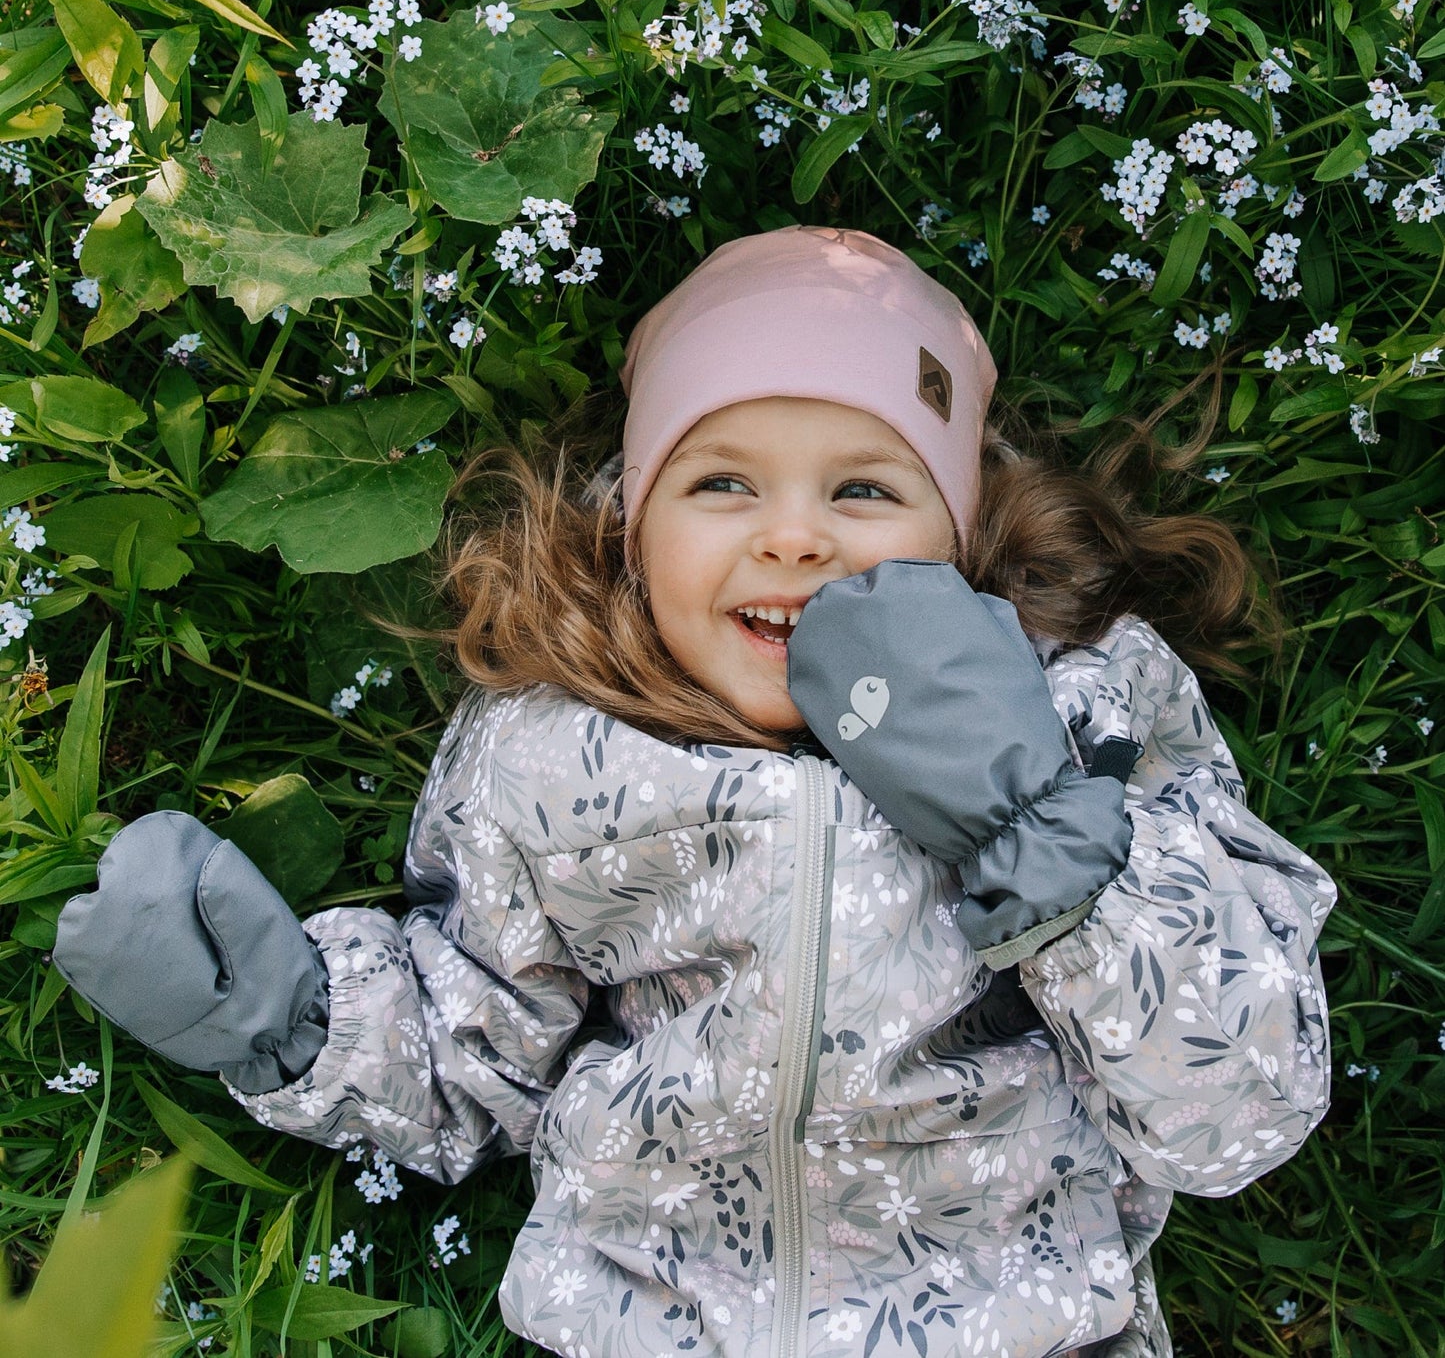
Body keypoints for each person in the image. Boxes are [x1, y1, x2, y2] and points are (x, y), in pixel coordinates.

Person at [53, 226, 1335, 1358]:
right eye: (721, 480)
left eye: (865, 489)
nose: (792, 535)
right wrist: (285, 1017)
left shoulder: (1078, 713)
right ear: (631, 523)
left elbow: (1236, 1113)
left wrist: (1041, 833)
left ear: (958, 535)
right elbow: (476, 1054)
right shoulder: (551, 758)